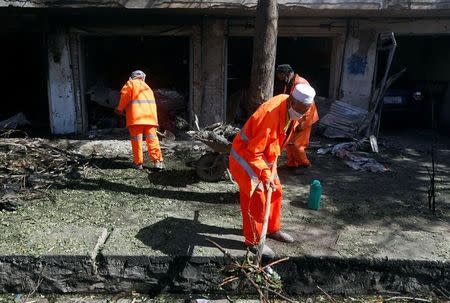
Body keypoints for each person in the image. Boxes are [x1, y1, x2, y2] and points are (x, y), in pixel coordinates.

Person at [229, 83, 316, 258]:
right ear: (292, 101)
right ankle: (253, 241)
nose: (302, 114)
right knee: (257, 199)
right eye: (300, 109)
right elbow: (254, 153)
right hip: (247, 160)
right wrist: (265, 175)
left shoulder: (292, 106)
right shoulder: (269, 116)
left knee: (275, 191)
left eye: (305, 110)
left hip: (267, 158)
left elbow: (278, 139)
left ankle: (271, 229)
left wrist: (270, 170)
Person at [116, 70, 164, 170]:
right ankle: (157, 162)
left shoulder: (131, 84)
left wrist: (119, 109)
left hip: (136, 119)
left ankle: (138, 163)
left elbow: (125, 96)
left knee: (136, 141)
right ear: (142, 77)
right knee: (153, 140)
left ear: (132, 77)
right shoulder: (148, 88)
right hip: (150, 119)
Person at [275, 64, 319, 169]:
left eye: (281, 77)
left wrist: (302, 123)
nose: (280, 80)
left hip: (304, 117)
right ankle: (292, 163)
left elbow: (308, 106)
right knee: (289, 142)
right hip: (295, 116)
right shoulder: (289, 82)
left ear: (286, 74)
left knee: (297, 144)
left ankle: (304, 164)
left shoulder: (302, 84)